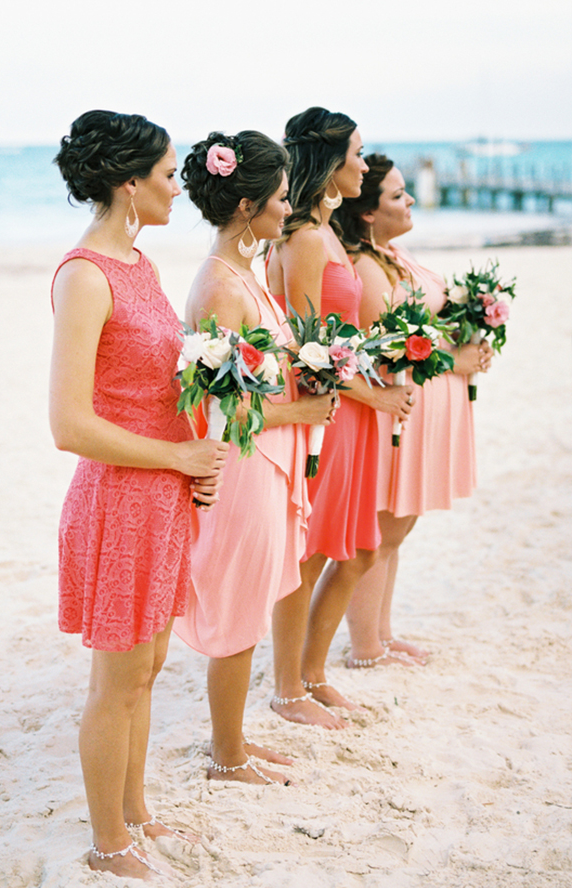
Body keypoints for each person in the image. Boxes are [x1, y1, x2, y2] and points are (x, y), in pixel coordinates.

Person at [50, 110, 228, 880]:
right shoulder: (85, 274)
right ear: (129, 183)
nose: (175, 187)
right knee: (117, 681)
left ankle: (136, 811)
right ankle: (106, 842)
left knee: (148, 667)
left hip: (162, 495)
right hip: (119, 500)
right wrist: (176, 453)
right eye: (164, 174)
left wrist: (197, 457)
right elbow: (68, 423)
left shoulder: (141, 266)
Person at [174, 130, 334, 783]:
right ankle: (227, 754)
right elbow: (225, 409)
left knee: (252, 601)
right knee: (239, 606)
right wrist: (301, 413)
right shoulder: (219, 288)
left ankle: (232, 740)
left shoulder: (248, 272)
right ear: (245, 204)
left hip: (269, 460)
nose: (286, 208)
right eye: (277, 197)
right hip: (244, 466)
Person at [266, 109, 415, 727]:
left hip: (349, 410)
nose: (363, 163)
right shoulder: (302, 237)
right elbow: (305, 351)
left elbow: (334, 342)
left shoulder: (326, 233)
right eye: (356, 152)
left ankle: (314, 671)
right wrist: (372, 395)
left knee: (353, 549)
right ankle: (288, 689)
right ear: (328, 162)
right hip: (326, 416)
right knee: (310, 553)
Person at [332, 154, 492, 666]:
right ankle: (364, 646)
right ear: (369, 213)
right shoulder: (365, 266)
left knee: (399, 527)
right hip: (394, 412)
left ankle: (381, 631)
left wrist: (473, 327)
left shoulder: (395, 255)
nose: (410, 200)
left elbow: (428, 325)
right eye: (398, 195)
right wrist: (457, 356)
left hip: (423, 409)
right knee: (381, 530)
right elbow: (390, 346)